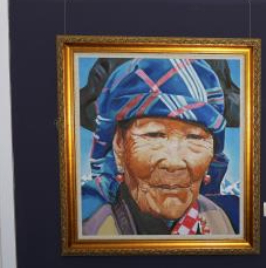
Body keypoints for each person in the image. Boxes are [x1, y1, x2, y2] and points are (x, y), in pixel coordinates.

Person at [81, 57, 235, 235]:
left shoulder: (217, 219)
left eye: (195, 137)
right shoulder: (89, 224)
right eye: (154, 135)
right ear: (119, 146)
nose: (173, 163)